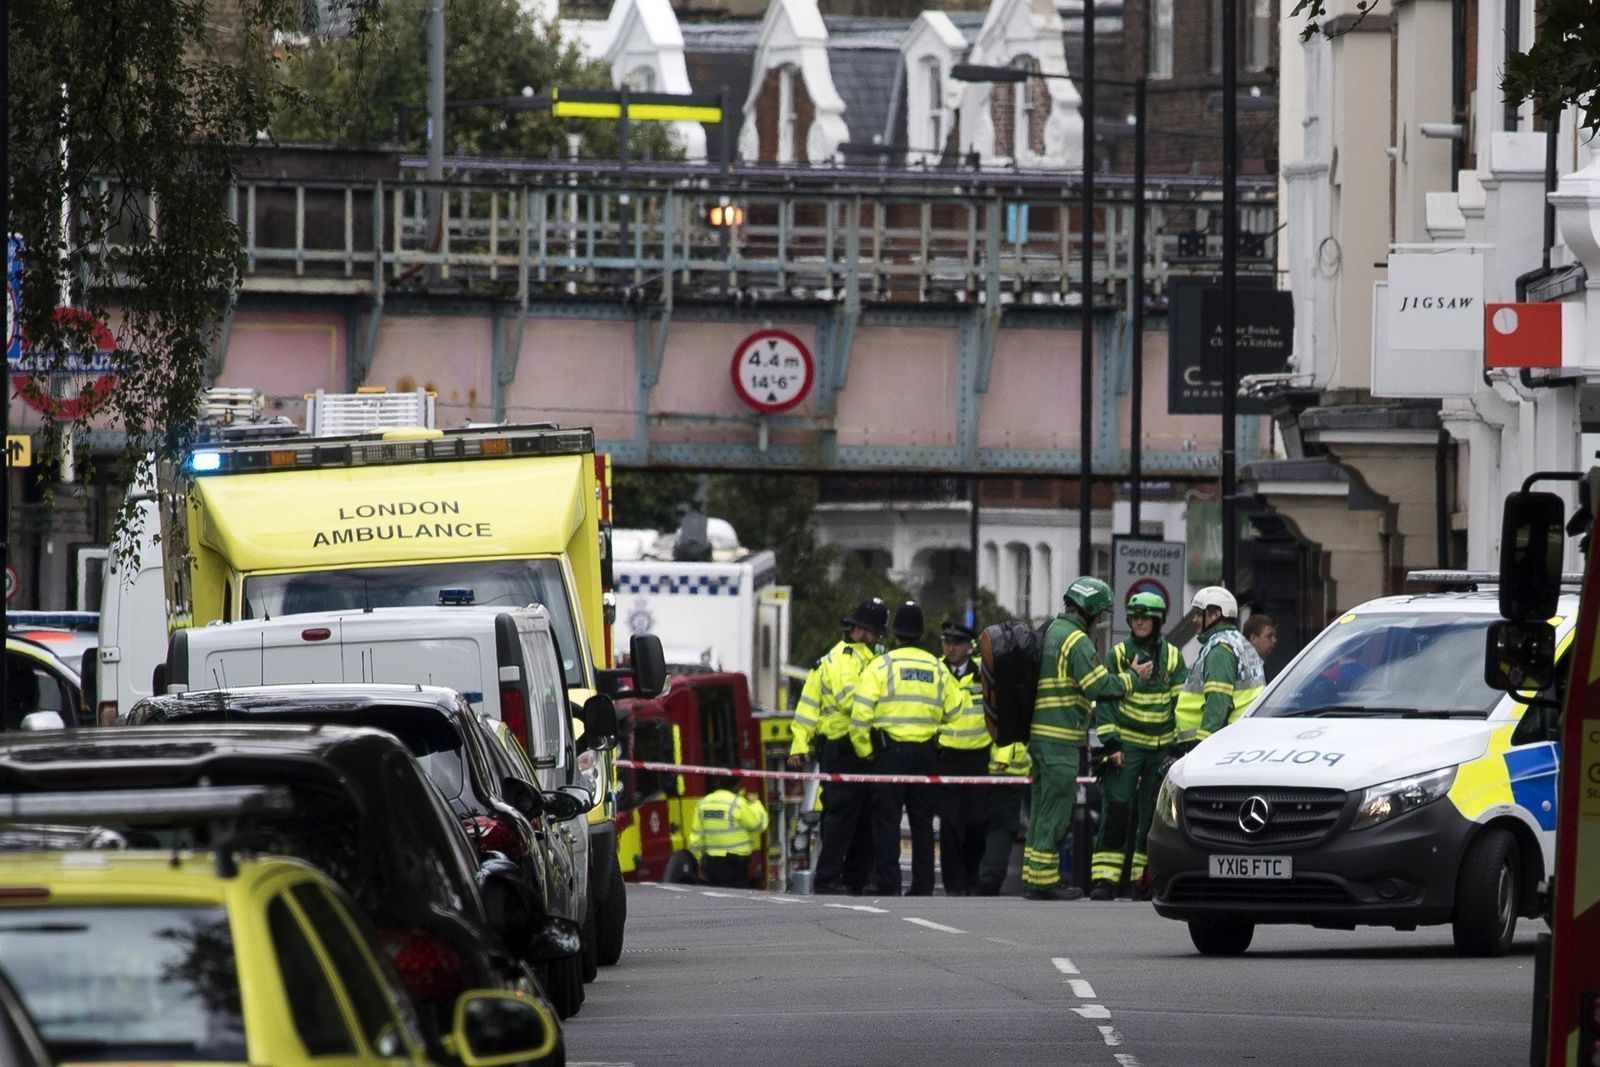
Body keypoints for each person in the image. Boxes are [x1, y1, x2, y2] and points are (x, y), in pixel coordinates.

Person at [1022, 577, 1153, 901]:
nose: (1100, 620)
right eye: (1100, 613)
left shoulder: (1052, 631)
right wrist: (1133, 679)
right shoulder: (1076, 641)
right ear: (1091, 609)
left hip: (1039, 736)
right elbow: (1099, 687)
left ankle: (1034, 876)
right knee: (1057, 808)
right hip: (1060, 739)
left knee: (1041, 807)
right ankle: (1044, 883)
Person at [851, 601, 966, 897]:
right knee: (923, 823)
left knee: (887, 821)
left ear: (896, 633)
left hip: (890, 755)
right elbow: (956, 709)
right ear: (921, 633)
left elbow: (860, 715)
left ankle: (889, 885)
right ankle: (923, 885)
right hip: (926, 755)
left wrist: (865, 751)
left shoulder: (882, 665)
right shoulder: (936, 667)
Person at [1089, 591, 1186, 901]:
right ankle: (1104, 880)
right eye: (1134, 617)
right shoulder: (1117, 655)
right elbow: (1105, 699)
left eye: (1146, 617)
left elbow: (1182, 705)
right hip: (1127, 746)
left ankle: (1141, 881)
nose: (1140, 622)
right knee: (1116, 810)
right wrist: (1111, 743)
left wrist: (1177, 748)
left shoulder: (1172, 657)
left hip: (1160, 749)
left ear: (1158, 621)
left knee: (1152, 816)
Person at [790, 597, 888, 894]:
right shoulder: (843, 660)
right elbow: (850, 702)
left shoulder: (864, 659)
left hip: (860, 748)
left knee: (865, 817)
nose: (877, 639)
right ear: (860, 630)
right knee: (842, 816)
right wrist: (799, 744)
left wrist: (799, 744)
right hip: (844, 748)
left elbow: (806, 707)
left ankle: (855, 878)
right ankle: (828, 876)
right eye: (875, 633)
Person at [1174, 586, 1267, 751]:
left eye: (1198, 613)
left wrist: (1202, 746)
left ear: (1215, 614)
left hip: (1218, 743)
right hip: (1240, 738)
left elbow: (1218, 703)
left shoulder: (1220, 650)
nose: (1194, 619)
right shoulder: (1239, 642)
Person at [934, 620, 989, 896]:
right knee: (950, 824)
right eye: (947, 642)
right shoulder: (937, 671)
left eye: (956, 643)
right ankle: (954, 885)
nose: (951, 648)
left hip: (979, 757)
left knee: (977, 822)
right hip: (947, 756)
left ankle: (971, 877)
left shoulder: (983, 674)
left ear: (969, 647)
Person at [687, 777, 769, 888]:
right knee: (736, 900)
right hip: (735, 864)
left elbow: (696, 837)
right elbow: (759, 826)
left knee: (716, 898)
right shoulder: (738, 804)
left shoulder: (703, 803)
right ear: (738, 785)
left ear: (718, 782)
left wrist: (698, 861)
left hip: (712, 863)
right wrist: (755, 803)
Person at [976, 739, 1030, 895]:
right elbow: (1009, 726)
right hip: (1006, 770)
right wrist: (1003, 758)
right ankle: (989, 878)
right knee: (1001, 828)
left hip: (979, 764)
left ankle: (975, 879)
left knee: (979, 823)